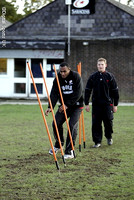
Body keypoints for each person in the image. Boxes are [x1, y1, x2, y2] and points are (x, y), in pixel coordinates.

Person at [45, 62, 83, 159]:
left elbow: (78, 93)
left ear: (69, 69)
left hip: (76, 106)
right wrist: (50, 106)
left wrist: (67, 104)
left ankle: (69, 151)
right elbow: (54, 93)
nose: (62, 74)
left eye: (64, 71)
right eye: (60, 71)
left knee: (71, 125)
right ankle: (58, 144)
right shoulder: (57, 78)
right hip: (64, 106)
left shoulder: (76, 76)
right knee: (56, 123)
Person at [84, 58, 119, 148]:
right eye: (99, 64)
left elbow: (115, 91)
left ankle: (109, 137)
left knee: (108, 122)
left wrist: (115, 105)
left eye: (102, 64)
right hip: (96, 105)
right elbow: (87, 90)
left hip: (107, 104)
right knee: (96, 123)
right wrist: (87, 103)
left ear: (105, 65)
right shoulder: (93, 77)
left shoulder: (110, 76)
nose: (100, 66)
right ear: (97, 65)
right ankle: (97, 141)